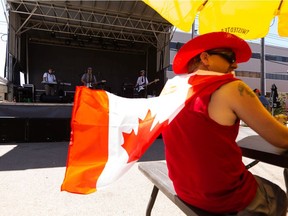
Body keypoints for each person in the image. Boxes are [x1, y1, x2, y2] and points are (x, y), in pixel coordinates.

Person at [162, 32, 288, 215]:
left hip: (186, 190)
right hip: (225, 197)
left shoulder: (171, 86)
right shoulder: (231, 87)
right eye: (230, 57)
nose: (235, 64)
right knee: (279, 196)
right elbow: (281, 139)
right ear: (205, 57)